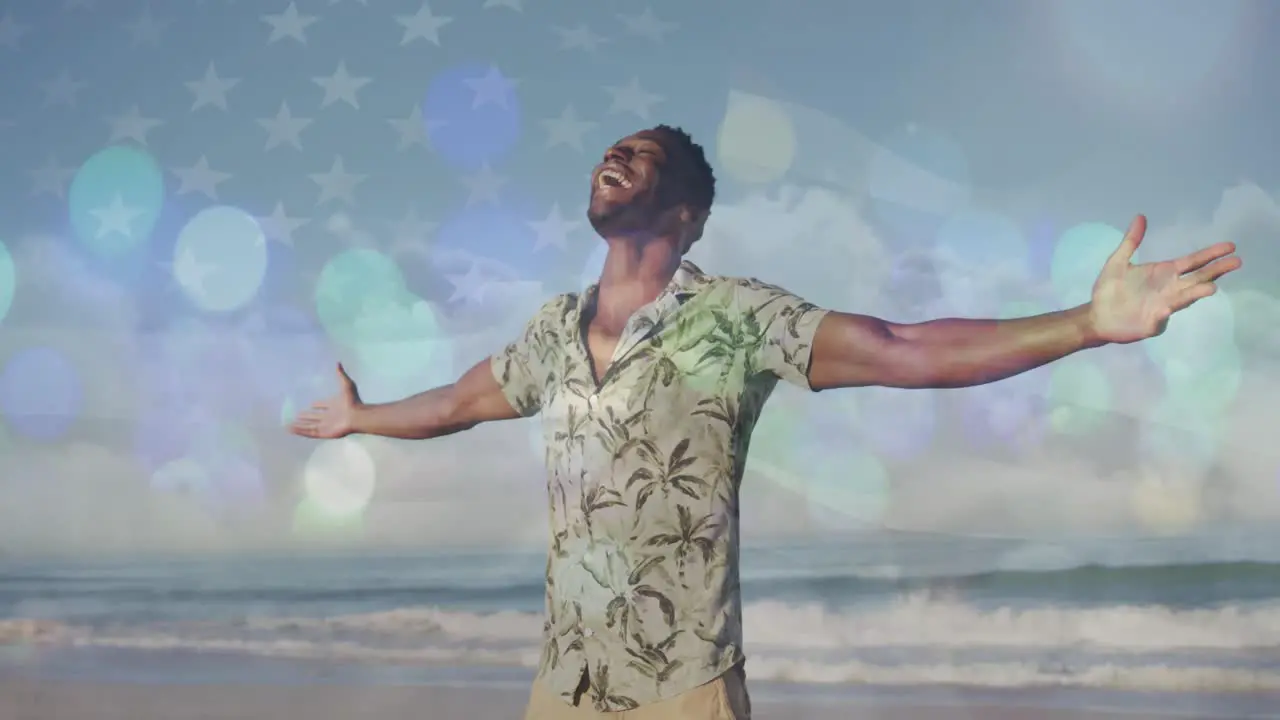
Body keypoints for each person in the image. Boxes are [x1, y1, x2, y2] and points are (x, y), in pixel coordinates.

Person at [289, 125, 1241, 719]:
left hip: (684, 689)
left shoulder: (735, 318)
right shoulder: (550, 329)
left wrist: (1085, 324)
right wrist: (364, 418)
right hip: (564, 685)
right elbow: (458, 403)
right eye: (611, 148)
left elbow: (902, 346)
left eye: (643, 156)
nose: (613, 156)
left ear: (688, 215)